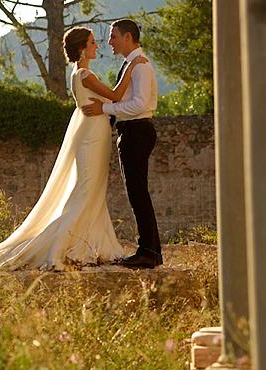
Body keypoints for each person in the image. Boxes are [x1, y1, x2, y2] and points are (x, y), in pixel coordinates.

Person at [0, 27, 145, 270]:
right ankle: (55, 254)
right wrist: (133, 66)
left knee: (93, 191)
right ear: (82, 48)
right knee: (84, 192)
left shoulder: (80, 74)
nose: (97, 45)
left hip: (96, 134)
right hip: (92, 137)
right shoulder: (84, 75)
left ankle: (92, 245)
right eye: (92, 42)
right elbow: (115, 95)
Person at [81, 19, 162, 269]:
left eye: (113, 36)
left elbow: (139, 104)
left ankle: (148, 252)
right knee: (136, 192)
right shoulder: (132, 64)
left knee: (138, 193)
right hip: (131, 131)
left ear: (128, 37)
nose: (109, 41)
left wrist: (104, 108)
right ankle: (150, 250)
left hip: (137, 131)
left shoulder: (141, 66)